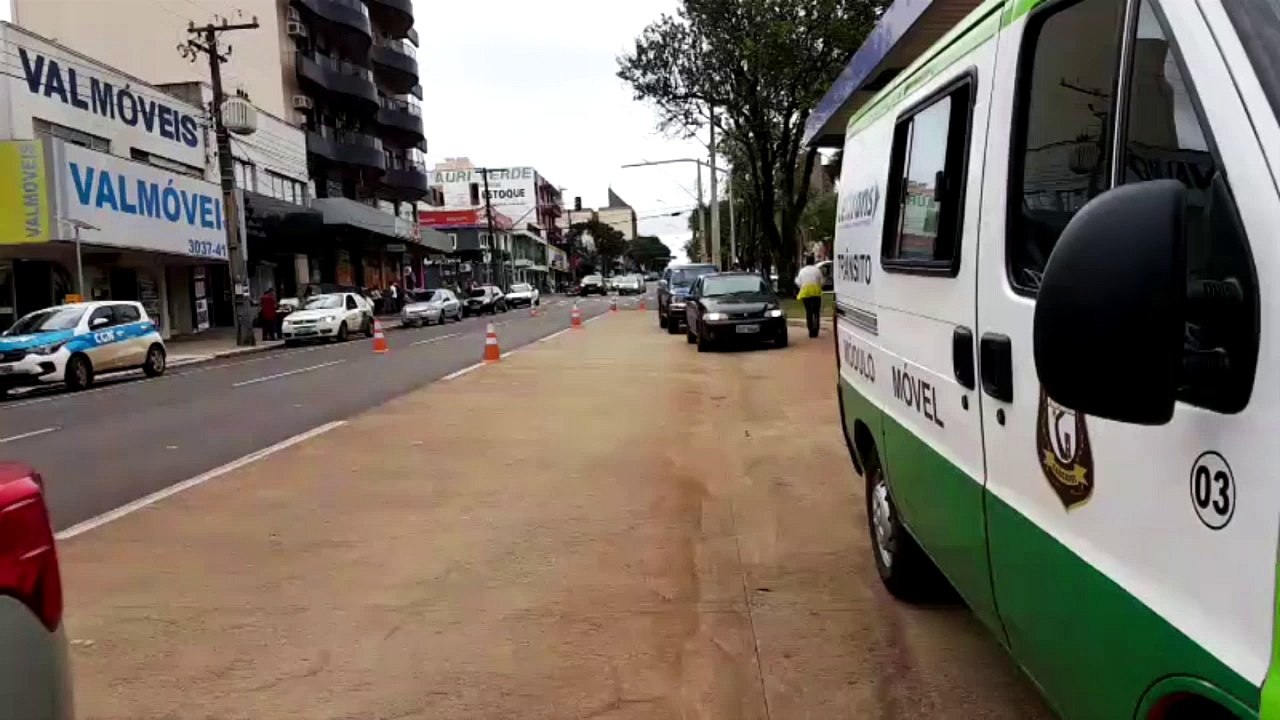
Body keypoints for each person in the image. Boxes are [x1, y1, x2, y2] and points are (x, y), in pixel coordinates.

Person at [795, 255, 824, 339]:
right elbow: (821, 282)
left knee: (808, 312)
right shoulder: (817, 270)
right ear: (813, 261)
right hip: (816, 293)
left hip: (806, 293)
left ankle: (810, 331)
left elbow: (798, 282)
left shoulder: (802, 271)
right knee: (816, 312)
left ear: (806, 262)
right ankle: (816, 330)